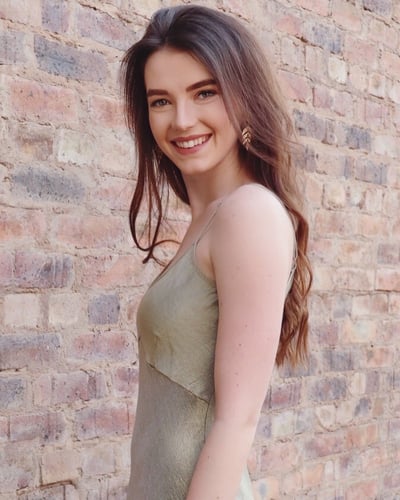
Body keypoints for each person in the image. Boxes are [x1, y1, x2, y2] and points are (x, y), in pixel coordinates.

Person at [121, 4, 312, 499]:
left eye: (204, 92)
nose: (182, 120)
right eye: (161, 101)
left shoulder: (248, 214)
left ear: (243, 95)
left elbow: (236, 420)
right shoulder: (210, 219)